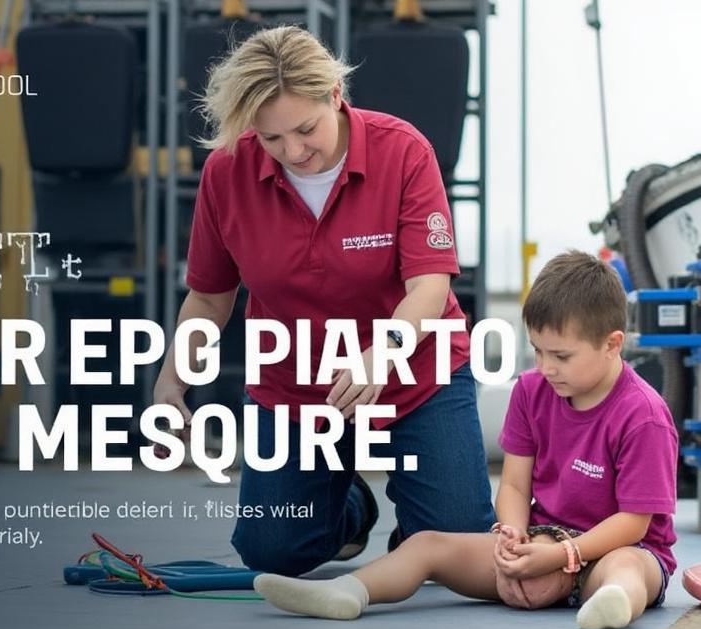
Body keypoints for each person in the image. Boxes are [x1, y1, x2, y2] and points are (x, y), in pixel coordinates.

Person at [151, 25, 494, 576]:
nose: (293, 151)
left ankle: (424, 520)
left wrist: (384, 353)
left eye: (305, 129)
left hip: (413, 372)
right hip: (295, 384)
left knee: (459, 545)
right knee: (273, 552)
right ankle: (351, 505)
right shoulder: (225, 173)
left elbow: (429, 286)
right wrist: (171, 383)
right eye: (271, 139)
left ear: (335, 94)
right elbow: (209, 299)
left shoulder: (403, 151)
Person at [254, 251, 678, 629]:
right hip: (541, 541)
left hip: (614, 550)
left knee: (628, 569)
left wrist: (564, 555)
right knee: (426, 544)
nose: (546, 367)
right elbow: (514, 484)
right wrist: (513, 536)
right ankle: (349, 591)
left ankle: (613, 603)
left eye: (561, 356)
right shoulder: (532, 391)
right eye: (537, 351)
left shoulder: (643, 416)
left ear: (612, 344)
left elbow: (634, 523)